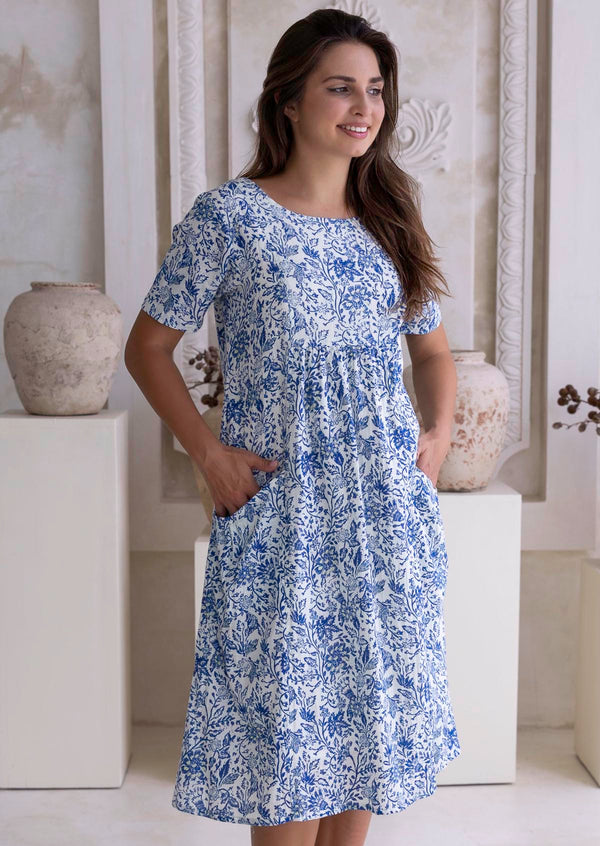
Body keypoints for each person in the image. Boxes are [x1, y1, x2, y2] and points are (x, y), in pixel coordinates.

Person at [125, 8, 460, 846]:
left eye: (375, 89)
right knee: (288, 755)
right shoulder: (230, 218)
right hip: (285, 518)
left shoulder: (388, 218)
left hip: (382, 520)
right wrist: (209, 455)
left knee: (364, 740)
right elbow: (148, 347)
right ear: (288, 99)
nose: (364, 107)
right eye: (341, 87)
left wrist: (438, 437)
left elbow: (432, 353)